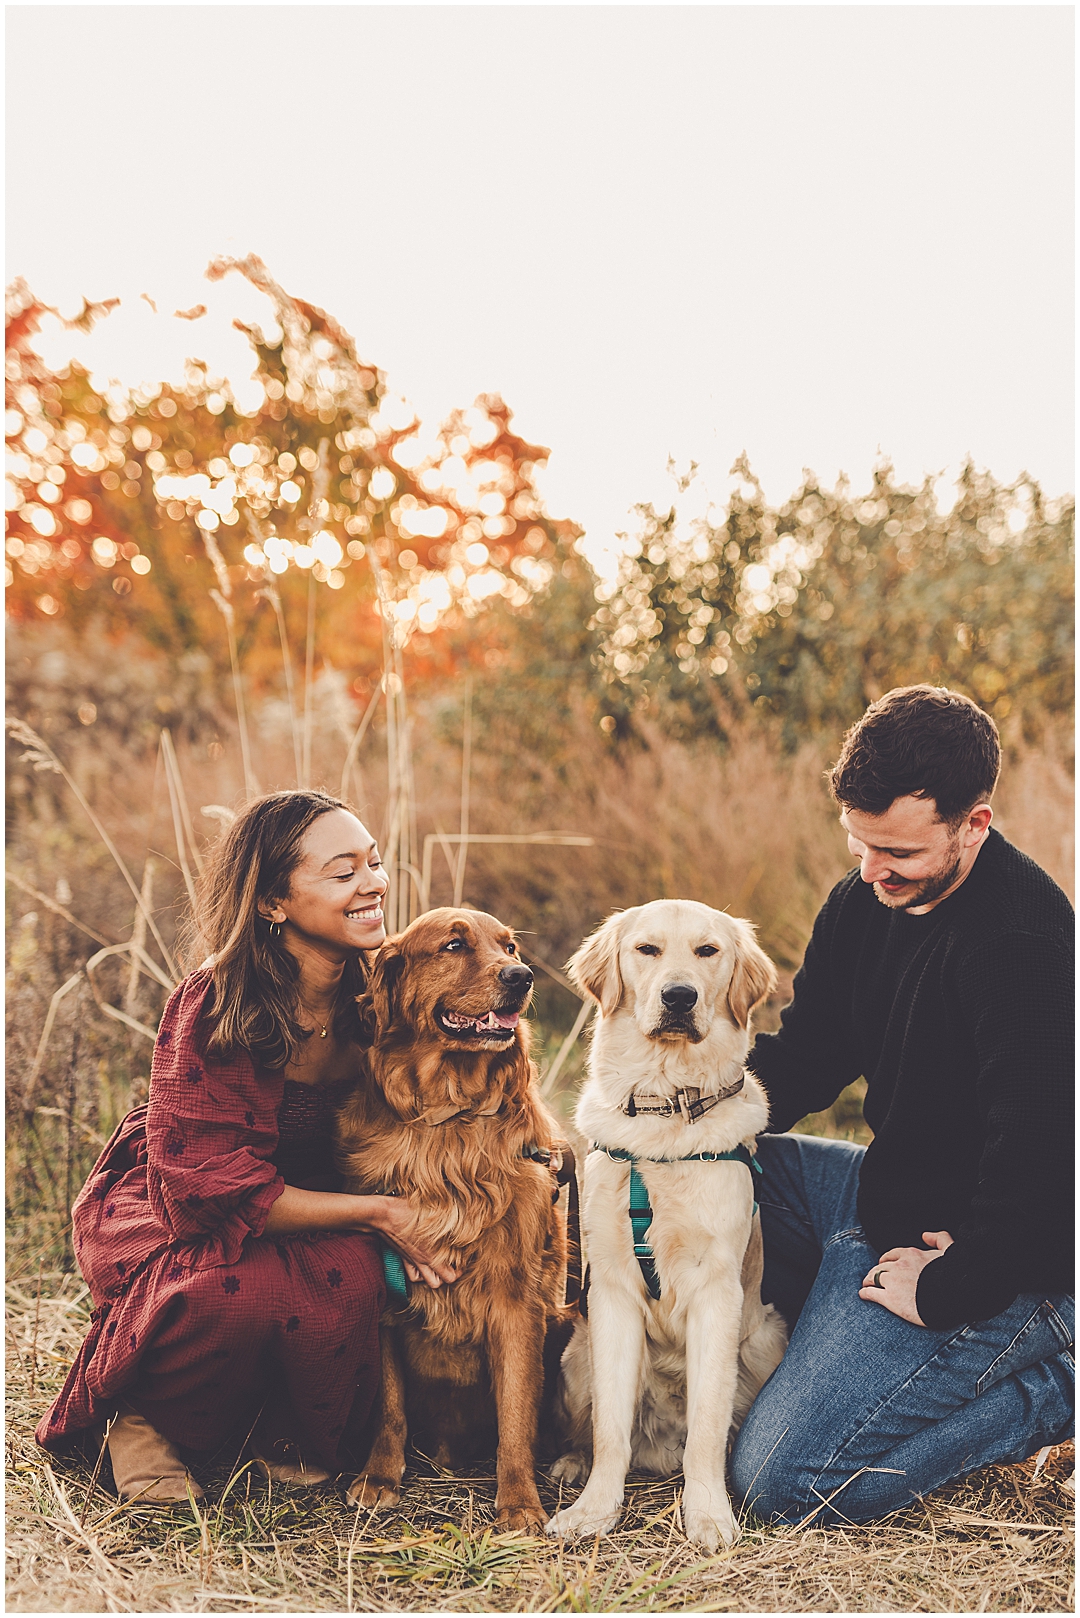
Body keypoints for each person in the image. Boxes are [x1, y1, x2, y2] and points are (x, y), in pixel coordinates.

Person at [37, 790, 456, 1501]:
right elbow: (208, 1190)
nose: (373, 884)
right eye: (342, 872)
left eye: (375, 864)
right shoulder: (218, 1000)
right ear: (271, 903)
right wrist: (381, 1215)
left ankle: (278, 1422)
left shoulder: (384, 983)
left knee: (356, 1280)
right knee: (227, 1291)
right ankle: (142, 1419)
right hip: (190, 1201)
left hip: (327, 1201)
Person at [729, 685, 1074, 1525]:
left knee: (781, 1482)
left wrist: (954, 1287)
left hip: (1000, 1248)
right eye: (860, 844)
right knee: (701, 1160)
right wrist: (682, 1117)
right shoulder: (864, 900)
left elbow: (1040, 1159)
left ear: (974, 824)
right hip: (879, 1197)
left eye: (899, 853)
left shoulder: (1025, 943)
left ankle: (1055, 1384)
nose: (874, 870)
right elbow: (810, 1053)